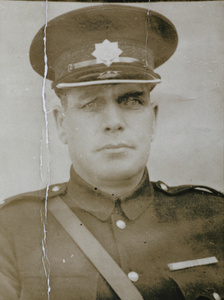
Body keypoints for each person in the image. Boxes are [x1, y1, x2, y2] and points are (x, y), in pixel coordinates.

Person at [0, 4, 223, 300]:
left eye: (131, 101)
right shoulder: (12, 230)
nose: (114, 123)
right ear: (62, 124)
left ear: (153, 119)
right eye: (91, 104)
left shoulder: (213, 217)